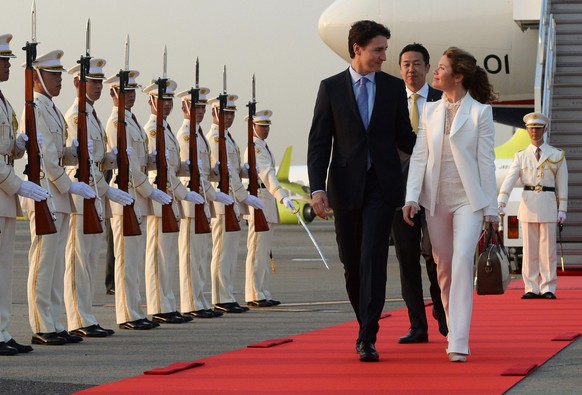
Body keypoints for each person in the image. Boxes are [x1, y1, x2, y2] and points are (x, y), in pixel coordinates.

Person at [307, 20, 416, 362]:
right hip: (345, 187)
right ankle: (363, 321)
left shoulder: (393, 88)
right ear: (357, 49)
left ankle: (368, 334)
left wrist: (440, 142)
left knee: (374, 258)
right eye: (378, 50)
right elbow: (319, 142)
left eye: (385, 49)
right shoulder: (331, 88)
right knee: (352, 264)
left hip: (382, 188)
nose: (385, 56)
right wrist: (316, 189)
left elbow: (405, 138)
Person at [403, 47, 499, 362]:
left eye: (441, 68)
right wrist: (412, 197)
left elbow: (486, 162)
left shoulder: (480, 112)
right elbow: (420, 156)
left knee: (460, 264)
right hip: (436, 201)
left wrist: (491, 210)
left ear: (457, 76)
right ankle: (453, 329)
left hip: (468, 201)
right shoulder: (429, 111)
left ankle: (458, 340)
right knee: (443, 268)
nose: (435, 72)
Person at [20, 49, 97, 345]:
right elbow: (47, 160)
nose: (59, 81)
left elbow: (56, 153)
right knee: (43, 261)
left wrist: (73, 153)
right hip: (47, 193)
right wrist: (69, 184)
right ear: (37, 77)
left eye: (59, 75)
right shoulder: (36, 108)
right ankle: (41, 325)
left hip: (58, 195)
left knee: (55, 265)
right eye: (53, 75)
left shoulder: (50, 108)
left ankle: (53, 321)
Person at [63, 57, 133, 338]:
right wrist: (106, 188)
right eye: (93, 82)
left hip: (93, 196)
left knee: (89, 261)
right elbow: (75, 162)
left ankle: (86, 316)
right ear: (78, 83)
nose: (98, 87)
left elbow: (96, 161)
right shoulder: (74, 116)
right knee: (78, 261)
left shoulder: (92, 116)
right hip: (82, 197)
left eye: (100, 82)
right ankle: (78, 318)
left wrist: (111, 161)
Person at [104, 70, 171, 330]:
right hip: (127, 195)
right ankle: (126, 314)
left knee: (134, 260)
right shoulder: (115, 122)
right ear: (114, 94)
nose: (129, 96)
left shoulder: (130, 121)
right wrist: (149, 189)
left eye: (132, 91)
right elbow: (126, 167)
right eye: (125, 91)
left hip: (136, 197)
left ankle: (135, 310)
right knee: (125, 260)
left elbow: (139, 162)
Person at [393, 43, 447, 344]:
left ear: (428, 68)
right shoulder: (389, 101)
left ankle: (441, 307)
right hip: (400, 194)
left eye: (417, 63)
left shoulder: (442, 100)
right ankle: (417, 324)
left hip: (436, 192)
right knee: (407, 259)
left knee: (435, 254)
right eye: (405, 64)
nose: (411, 69)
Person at [0, 33, 49, 355]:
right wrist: (16, 183)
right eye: (4, 61)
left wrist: (18, 147)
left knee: (4, 270)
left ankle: (2, 331)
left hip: (3, 196)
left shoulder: (3, 101)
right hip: (5, 188)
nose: (7, 66)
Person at [142, 79, 204, 324]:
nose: (166, 104)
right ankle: (159, 305)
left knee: (166, 255)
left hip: (170, 196)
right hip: (160, 195)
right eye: (161, 100)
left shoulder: (165, 130)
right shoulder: (152, 130)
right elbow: (157, 170)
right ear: (151, 101)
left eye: (168, 100)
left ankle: (166, 302)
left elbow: (173, 167)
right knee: (158, 255)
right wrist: (182, 192)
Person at [176, 88, 233, 319]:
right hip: (190, 201)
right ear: (185, 108)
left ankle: (199, 299)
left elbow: (202, 173)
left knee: (199, 256)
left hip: (201, 200)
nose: (199, 111)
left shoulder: (198, 135)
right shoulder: (185, 135)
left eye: (201, 107)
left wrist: (213, 192)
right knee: (190, 255)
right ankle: (191, 303)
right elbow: (182, 171)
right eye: (195, 107)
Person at [498, 112, 568, 300]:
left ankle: (548, 287)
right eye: (531, 129)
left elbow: (562, 184)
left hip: (547, 204)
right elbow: (510, 180)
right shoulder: (521, 156)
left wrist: (563, 209)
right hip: (528, 205)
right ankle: (531, 287)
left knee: (548, 251)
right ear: (527, 131)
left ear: (544, 130)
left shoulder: (556, 155)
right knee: (529, 250)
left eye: (537, 128)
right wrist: (501, 201)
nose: (534, 132)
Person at [206, 94, 264, 314]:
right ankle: (220, 296)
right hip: (223, 200)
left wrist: (245, 172)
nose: (228, 117)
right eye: (225, 113)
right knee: (221, 251)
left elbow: (232, 169)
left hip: (231, 200)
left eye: (231, 113)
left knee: (229, 253)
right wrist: (243, 195)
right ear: (215, 114)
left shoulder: (226, 137)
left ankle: (227, 293)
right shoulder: (215, 138)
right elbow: (222, 172)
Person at [242, 109, 296, 307]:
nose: (265, 130)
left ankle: (262, 292)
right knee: (257, 250)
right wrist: (282, 196)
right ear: (252, 127)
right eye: (261, 126)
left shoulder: (262, 146)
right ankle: (254, 294)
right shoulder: (254, 147)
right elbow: (267, 174)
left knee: (263, 252)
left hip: (266, 200)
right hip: (260, 200)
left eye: (267, 126)